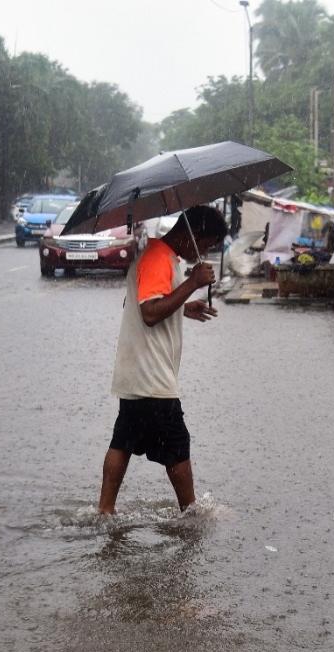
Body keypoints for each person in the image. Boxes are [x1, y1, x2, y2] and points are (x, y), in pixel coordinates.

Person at [99, 206, 223, 516]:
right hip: (152, 374)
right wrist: (192, 283)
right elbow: (150, 312)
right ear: (189, 235)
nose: (203, 252)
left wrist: (185, 306)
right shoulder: (158, 258)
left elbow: (139, 303)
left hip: (137, 371)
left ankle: (104, 511)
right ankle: (191, 514)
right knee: (177, 444)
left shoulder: (159, 256)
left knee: (124, 439)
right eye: (205, 244)